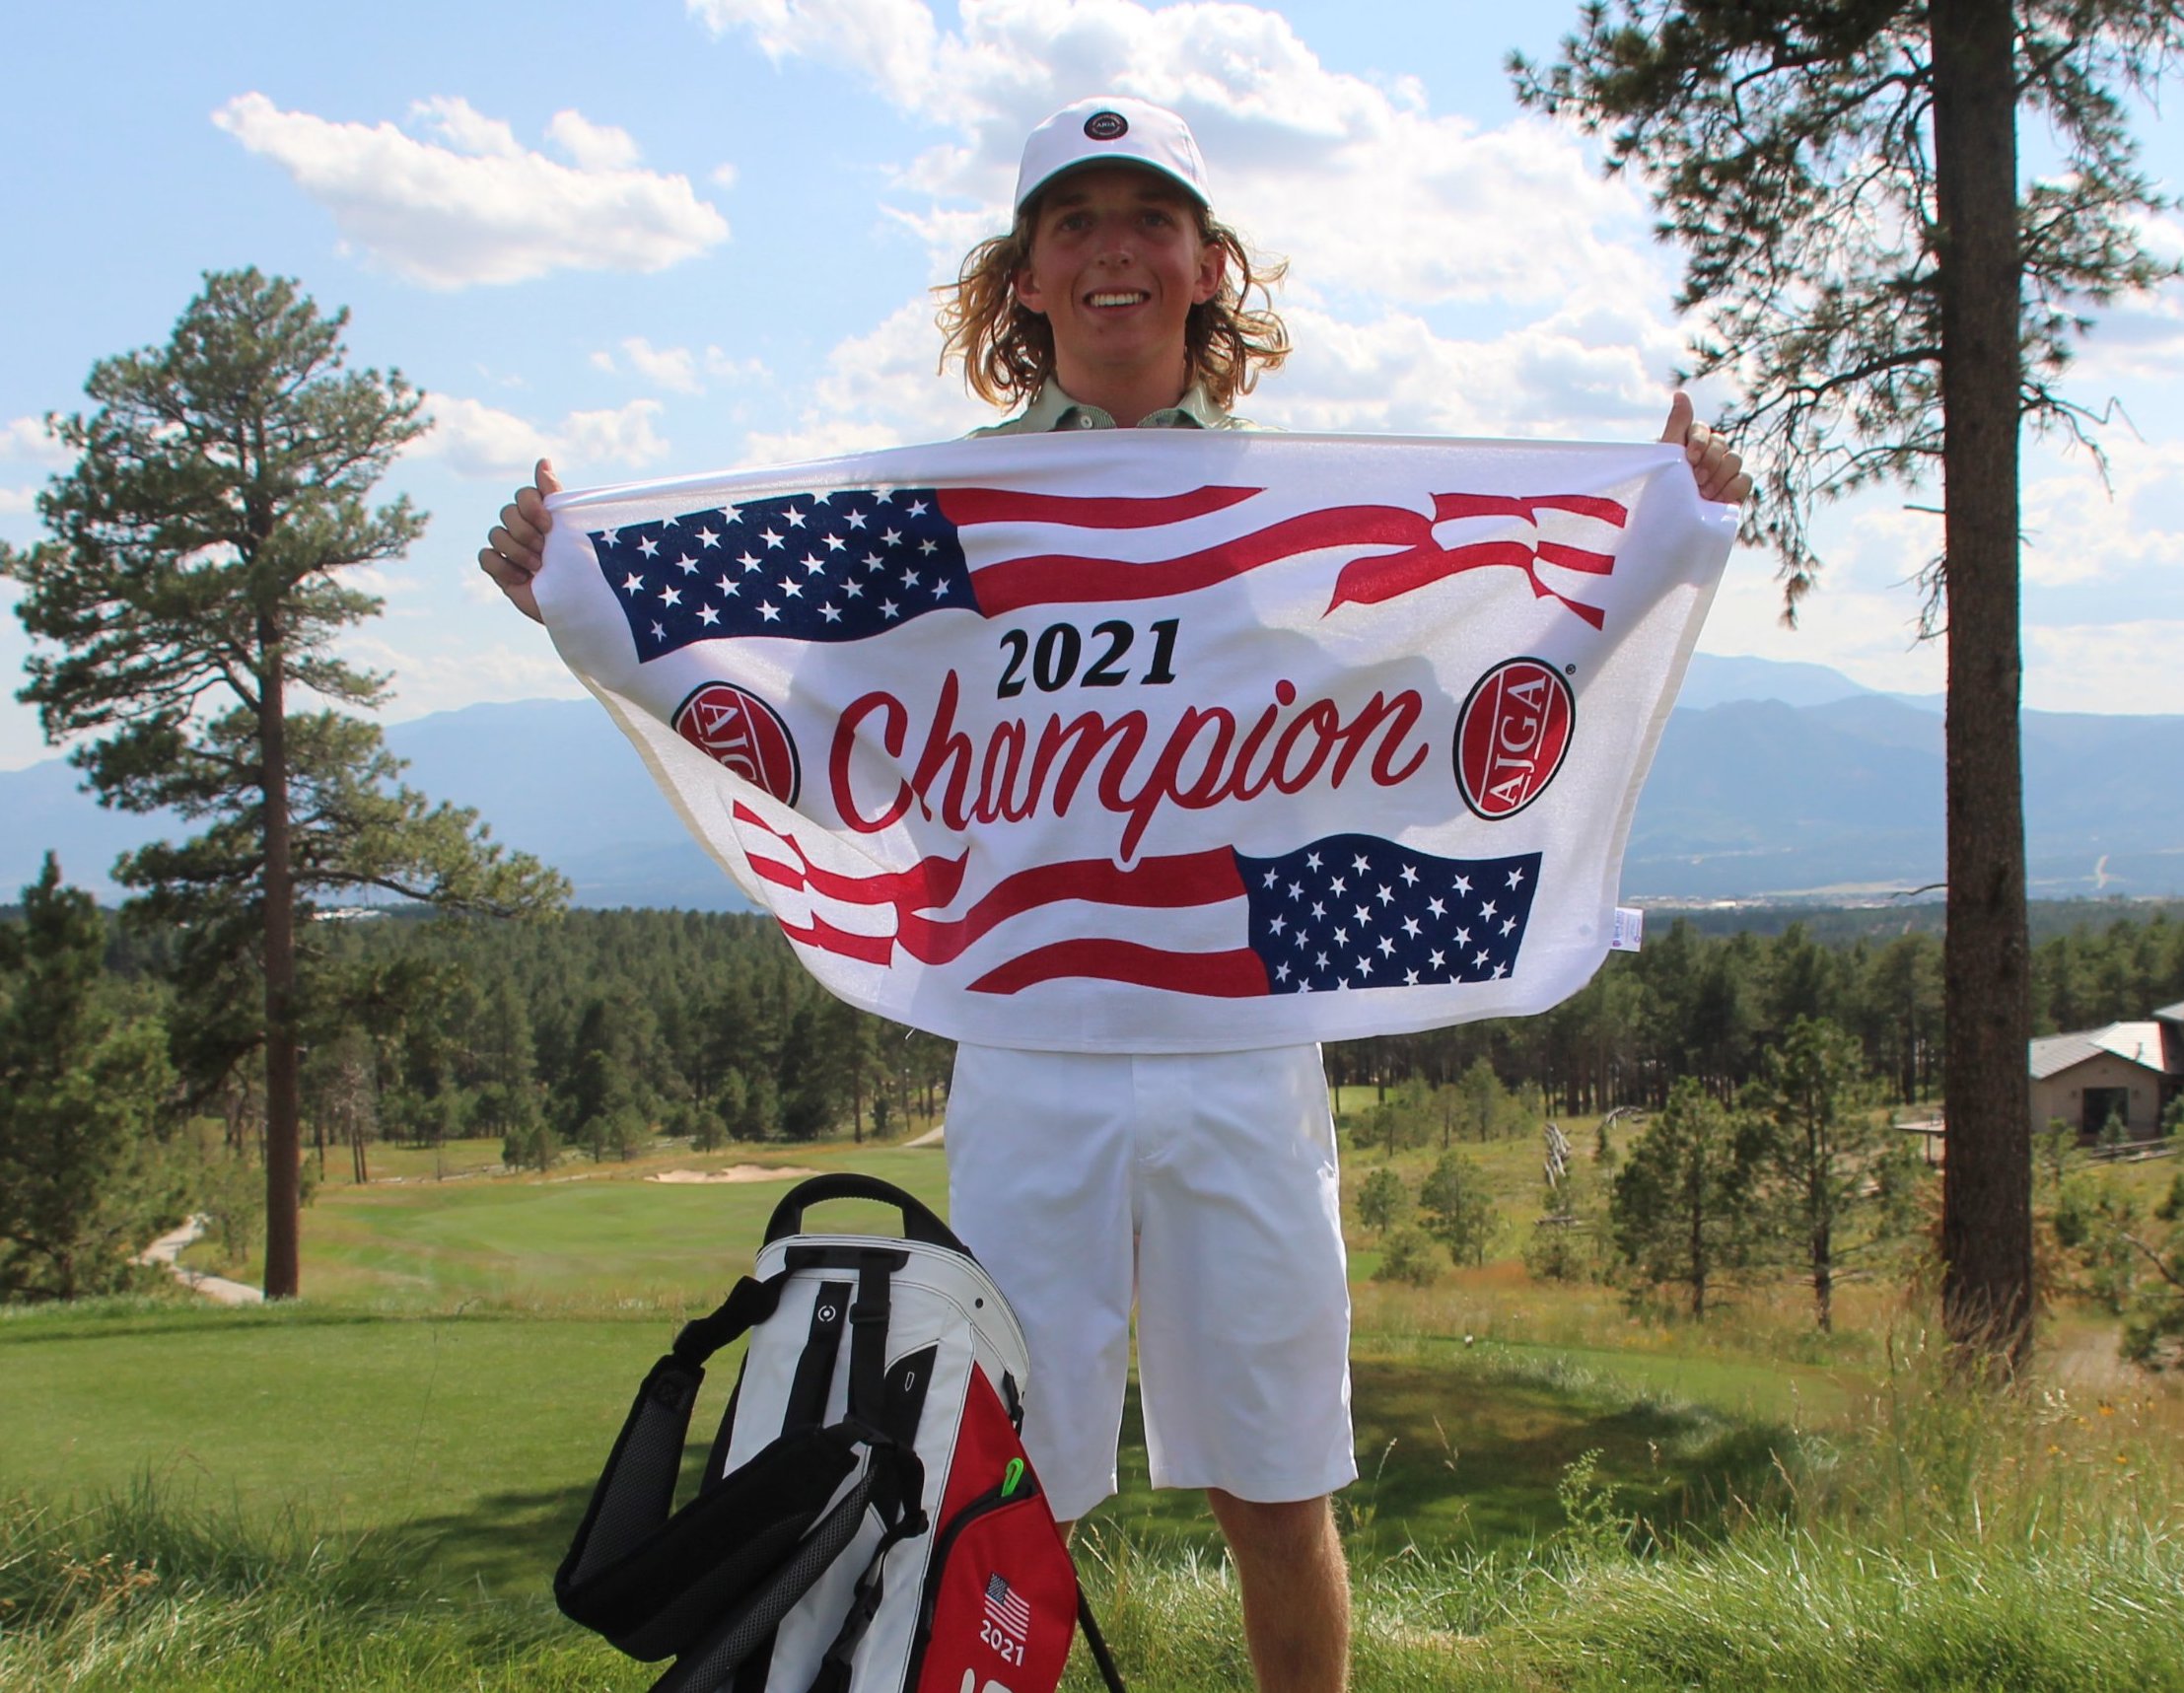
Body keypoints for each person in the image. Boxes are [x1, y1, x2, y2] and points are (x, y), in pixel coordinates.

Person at [479, 96, 1748, 1693]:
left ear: (1212, 264)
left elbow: (1446, 698)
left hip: (1243, 1051)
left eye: (1148, 217)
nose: (1114, 252)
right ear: (1023, 280)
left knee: (1279, 1492)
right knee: (987, 1491)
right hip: (1026, 1052)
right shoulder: (941, 507)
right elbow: (791, 704)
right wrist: (579, 593)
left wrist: (1667, 520)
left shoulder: (1299, 512)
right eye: (1074, 223)